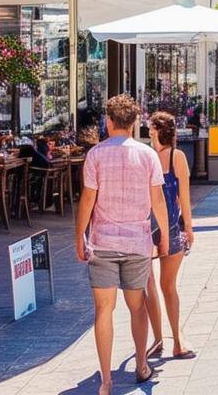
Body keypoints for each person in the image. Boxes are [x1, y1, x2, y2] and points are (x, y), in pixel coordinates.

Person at [75, 95, 169, 393]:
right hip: (137, 243)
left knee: (103, 310)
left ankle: (105, 380)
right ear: (134, 123)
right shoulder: (147, 155)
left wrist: (80, 235)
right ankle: (141, 365)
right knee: (137, 306)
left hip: (102, 242)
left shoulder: (96, 155)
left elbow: (88, 199)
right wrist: (164, 235)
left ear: (109, 121)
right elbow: (158, 201)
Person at [143, 112, 197, 360]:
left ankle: (166, 339)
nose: (148, 131)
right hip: (167, 226)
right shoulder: (170, 157)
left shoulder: (155, 158)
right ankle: (173, 340)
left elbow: (183, 197)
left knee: (156, 285)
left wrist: (189, 227)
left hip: (155, 227)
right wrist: (189, 227)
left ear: (155, 131)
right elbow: (183, 197)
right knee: (164, 286)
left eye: (150, 128)